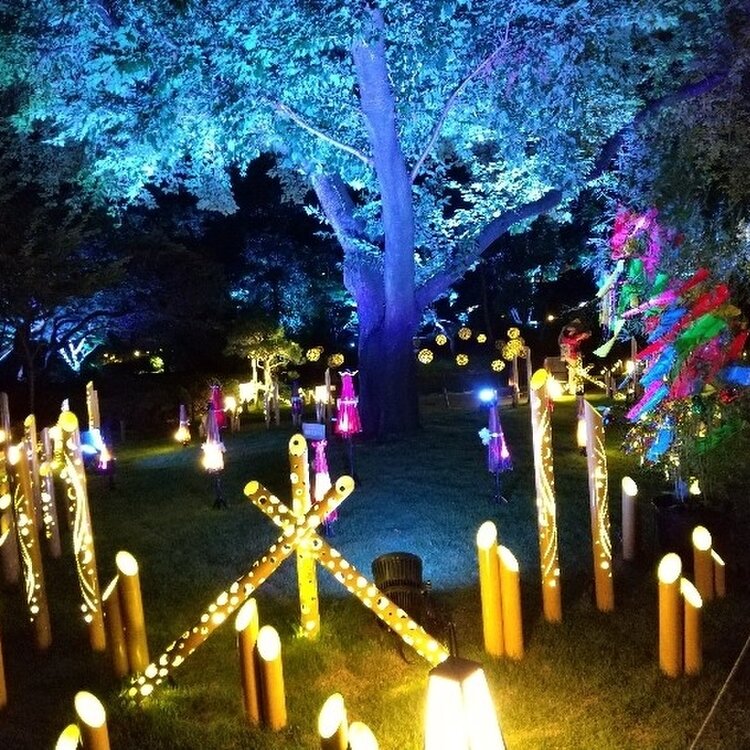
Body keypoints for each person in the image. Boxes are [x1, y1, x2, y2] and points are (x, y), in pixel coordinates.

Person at [558, 319, 591, 395]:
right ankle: (574, 388)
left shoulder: (574, 335)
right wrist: (579, 337)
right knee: (574, 371)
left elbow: (579, 339)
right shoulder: (566, 336)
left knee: (575, 371)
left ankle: (576, 388)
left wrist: (583, 336)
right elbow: (569, 341)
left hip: (575, 355)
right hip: (570, 355)